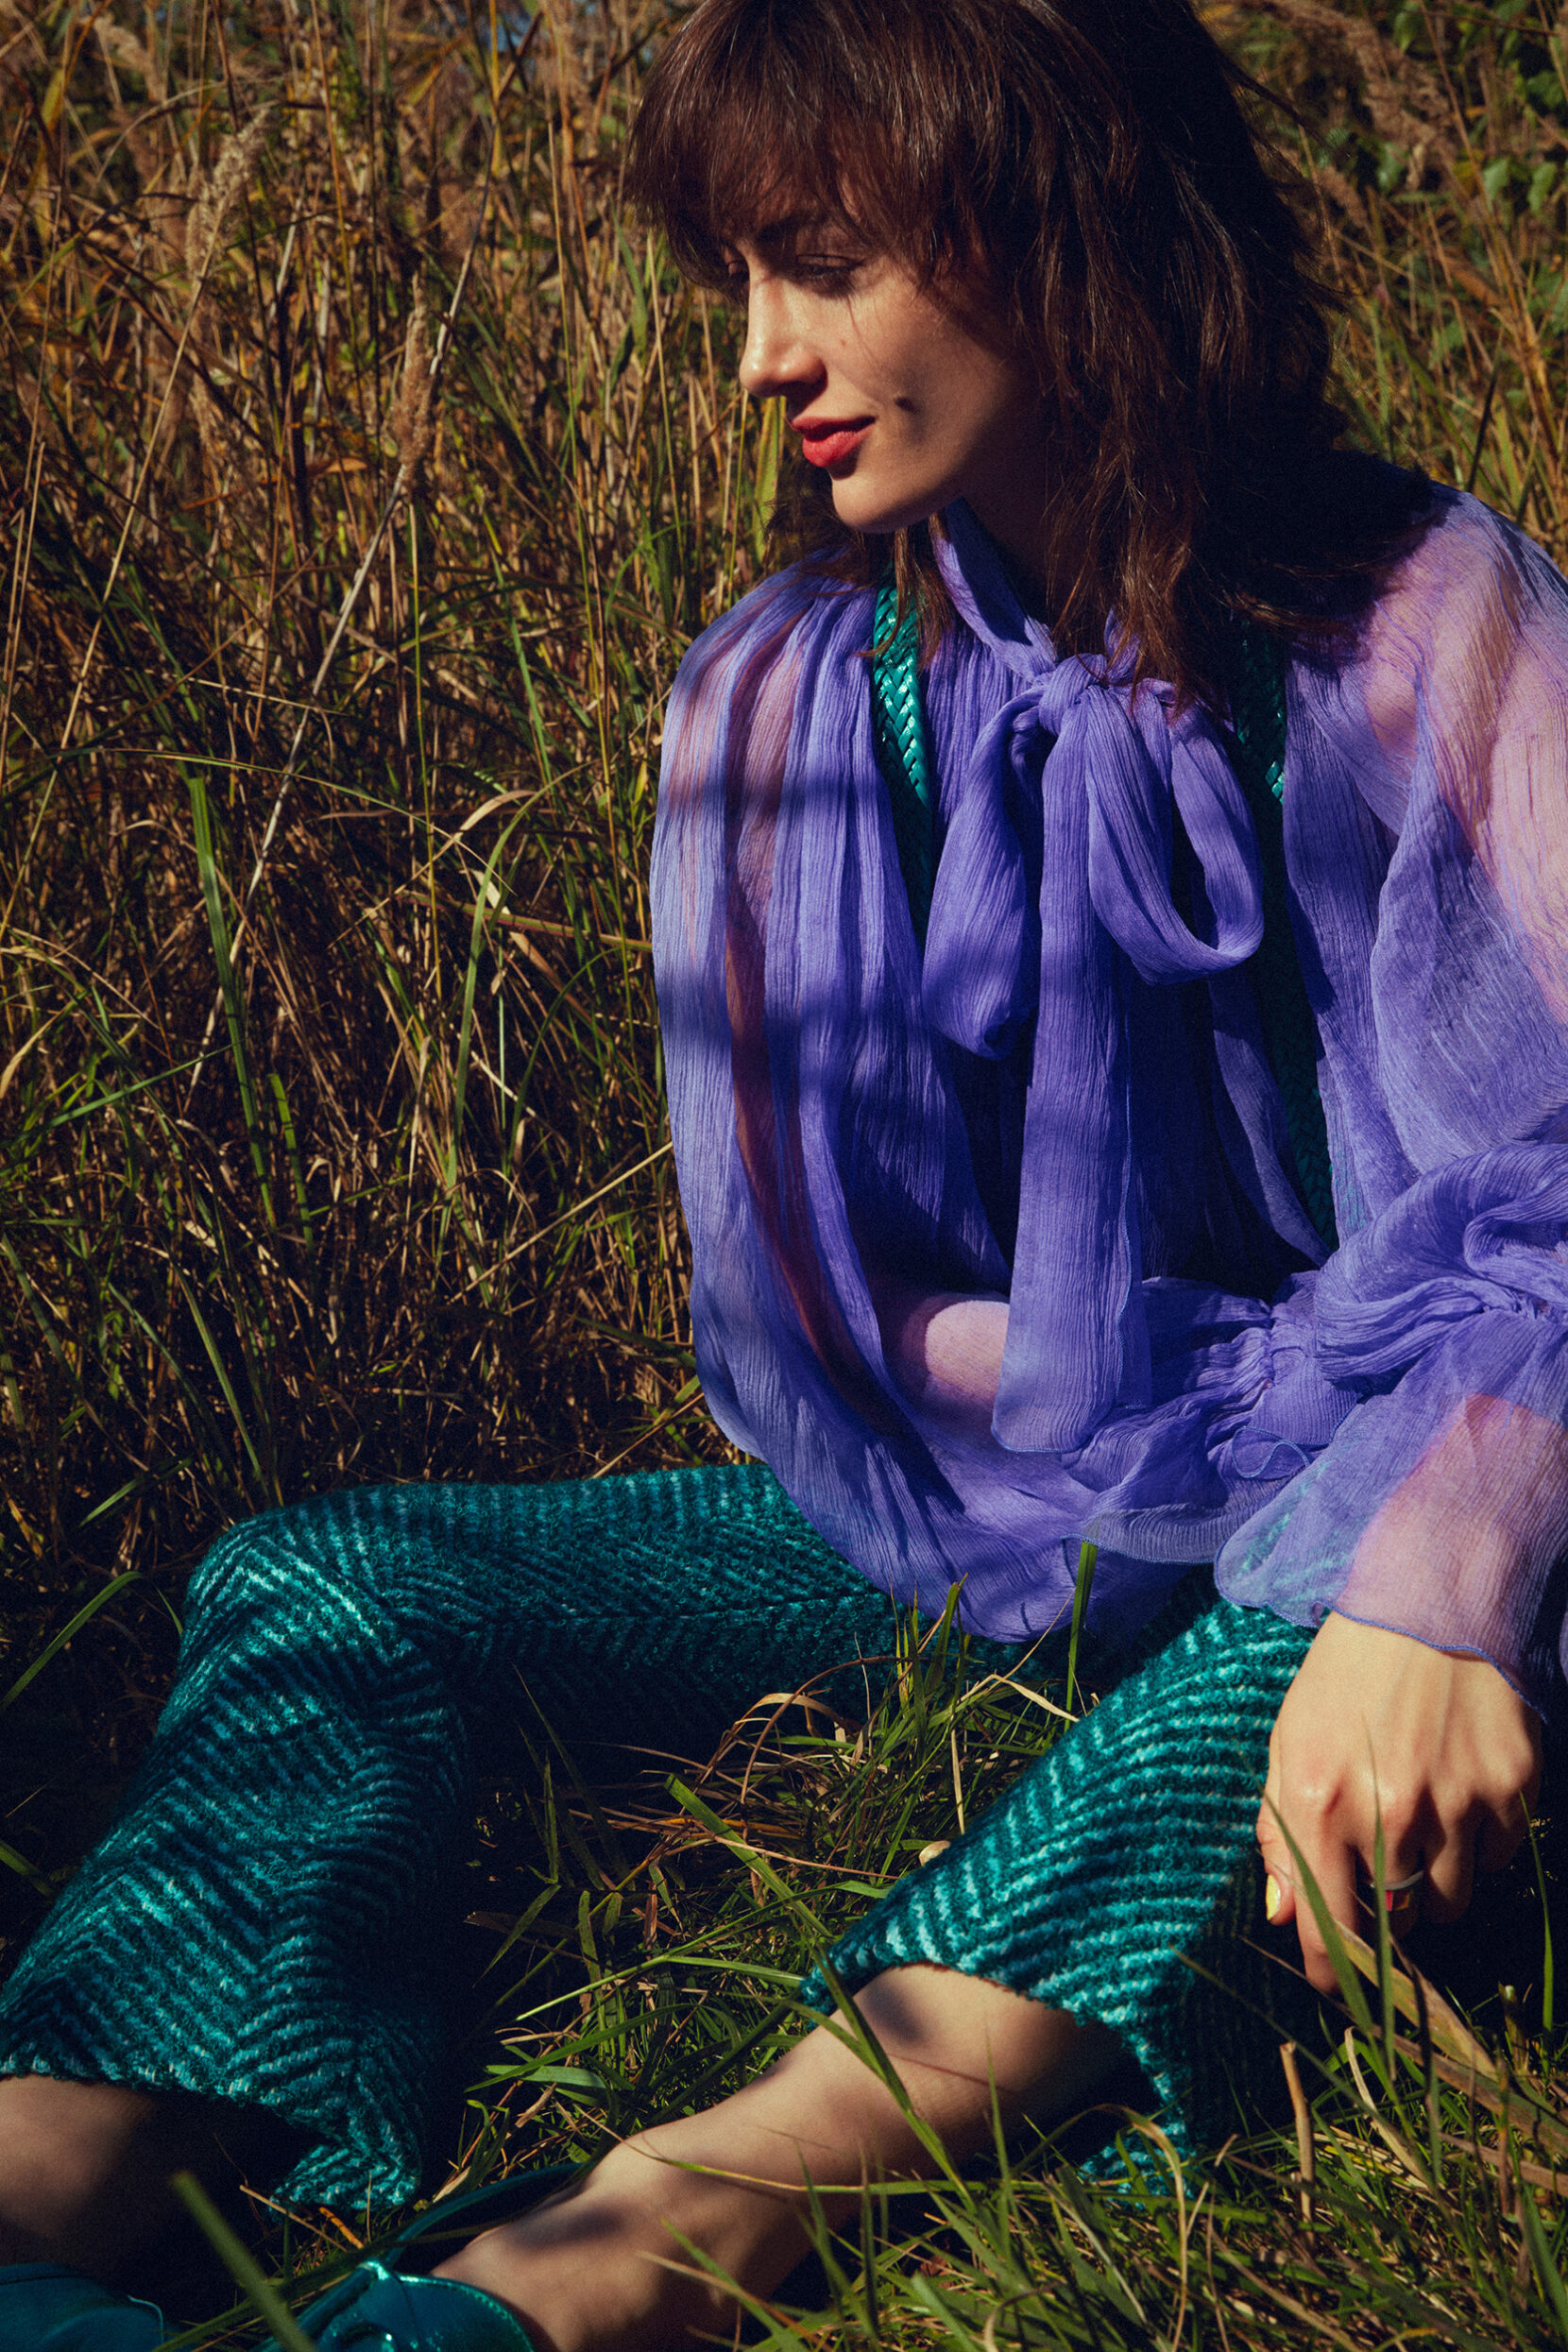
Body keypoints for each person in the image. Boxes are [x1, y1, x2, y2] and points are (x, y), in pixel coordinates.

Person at [4, 0, 1567, 2343]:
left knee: (1314, 1640)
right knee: (340, 1580)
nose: (759, 358)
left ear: (1053, 219)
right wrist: (1141, 1442)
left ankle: (657, 2235)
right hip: (991, 1515)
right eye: (737, 279)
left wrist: (1425, 1575)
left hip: (1423, 1483)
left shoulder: (1419, 617)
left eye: (821, 264)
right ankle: (50, 2178)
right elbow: (840, 1321)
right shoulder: (791, 698)